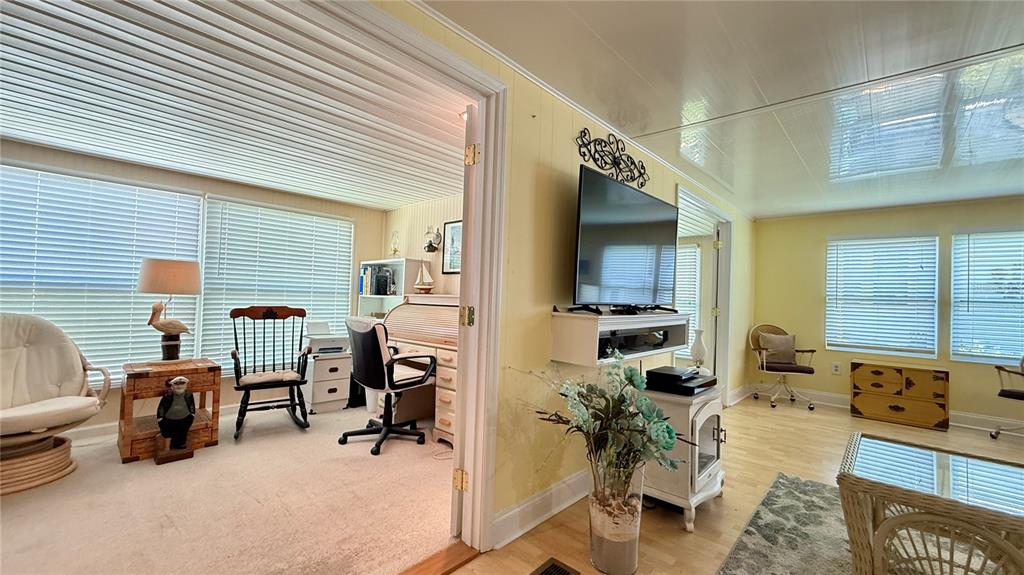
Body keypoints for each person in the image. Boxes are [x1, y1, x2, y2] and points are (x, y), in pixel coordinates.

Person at [157, 376, 195, 450]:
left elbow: (191, 405)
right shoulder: (168, 396)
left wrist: (192, 414)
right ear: (172, 386)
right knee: (168, 433)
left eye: (182, 384)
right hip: (169, 419)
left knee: (182, 432)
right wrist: (160, 418)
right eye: (177, 384)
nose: (179, 386)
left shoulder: (188, 394)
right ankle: (167, 448)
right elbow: (162, 407)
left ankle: (180, 444)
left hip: (184, 417)